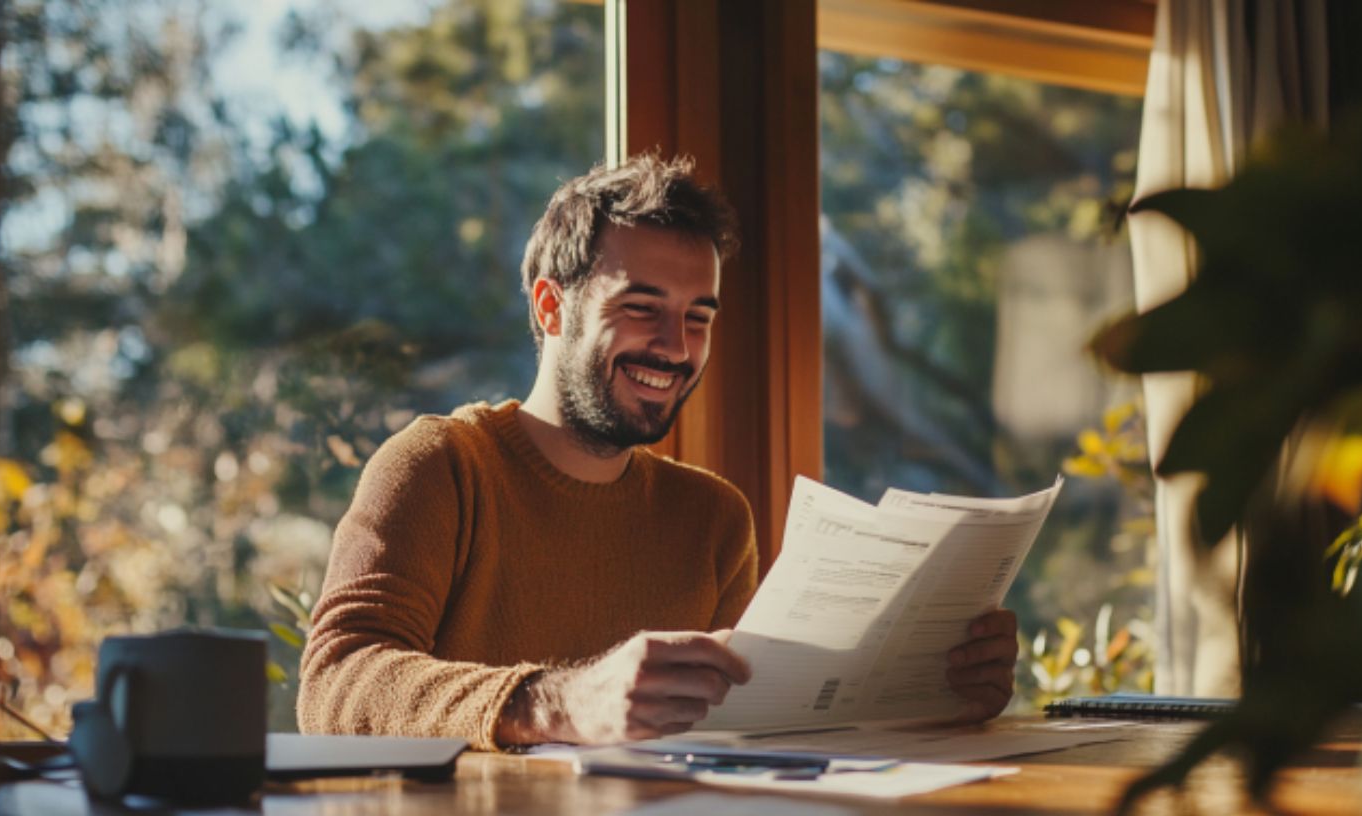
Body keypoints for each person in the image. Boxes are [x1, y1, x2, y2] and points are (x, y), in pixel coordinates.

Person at [297, 154, 1019, 750]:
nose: (676, 349)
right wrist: (561, 702)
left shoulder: (712, 517)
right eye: (641, 308)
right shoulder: (439, 466)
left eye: (697, 317)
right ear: (551, 308)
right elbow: (335, 683)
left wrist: (934, 697)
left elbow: (756, 729)